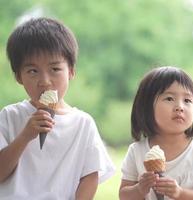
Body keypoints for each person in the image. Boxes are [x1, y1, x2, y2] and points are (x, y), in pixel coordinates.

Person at [0, 17, 115, 199]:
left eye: (54, 69)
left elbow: (90, 176)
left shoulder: (82, 124)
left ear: (71, 71)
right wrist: (25, 136)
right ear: (18, 77)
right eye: (32, 71)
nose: (45, 81)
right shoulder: (9, 116)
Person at [119, 66, 193, 200]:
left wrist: (180, 193)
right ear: (145, 106)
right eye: (169, 98)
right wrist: (139, 189)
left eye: (187, 100)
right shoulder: (136, 151)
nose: (180, 107)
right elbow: (124, 195)